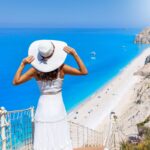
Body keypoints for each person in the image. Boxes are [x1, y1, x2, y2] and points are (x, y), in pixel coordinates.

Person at [13, 40, 88, 150]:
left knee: (43, 135)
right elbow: (84, 71)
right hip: (57, 104)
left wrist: (22, 64)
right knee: (59, 133)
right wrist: (75, 54)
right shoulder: (61, 68)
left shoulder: (35, 70)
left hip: (43, 106)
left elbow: (16, 81)